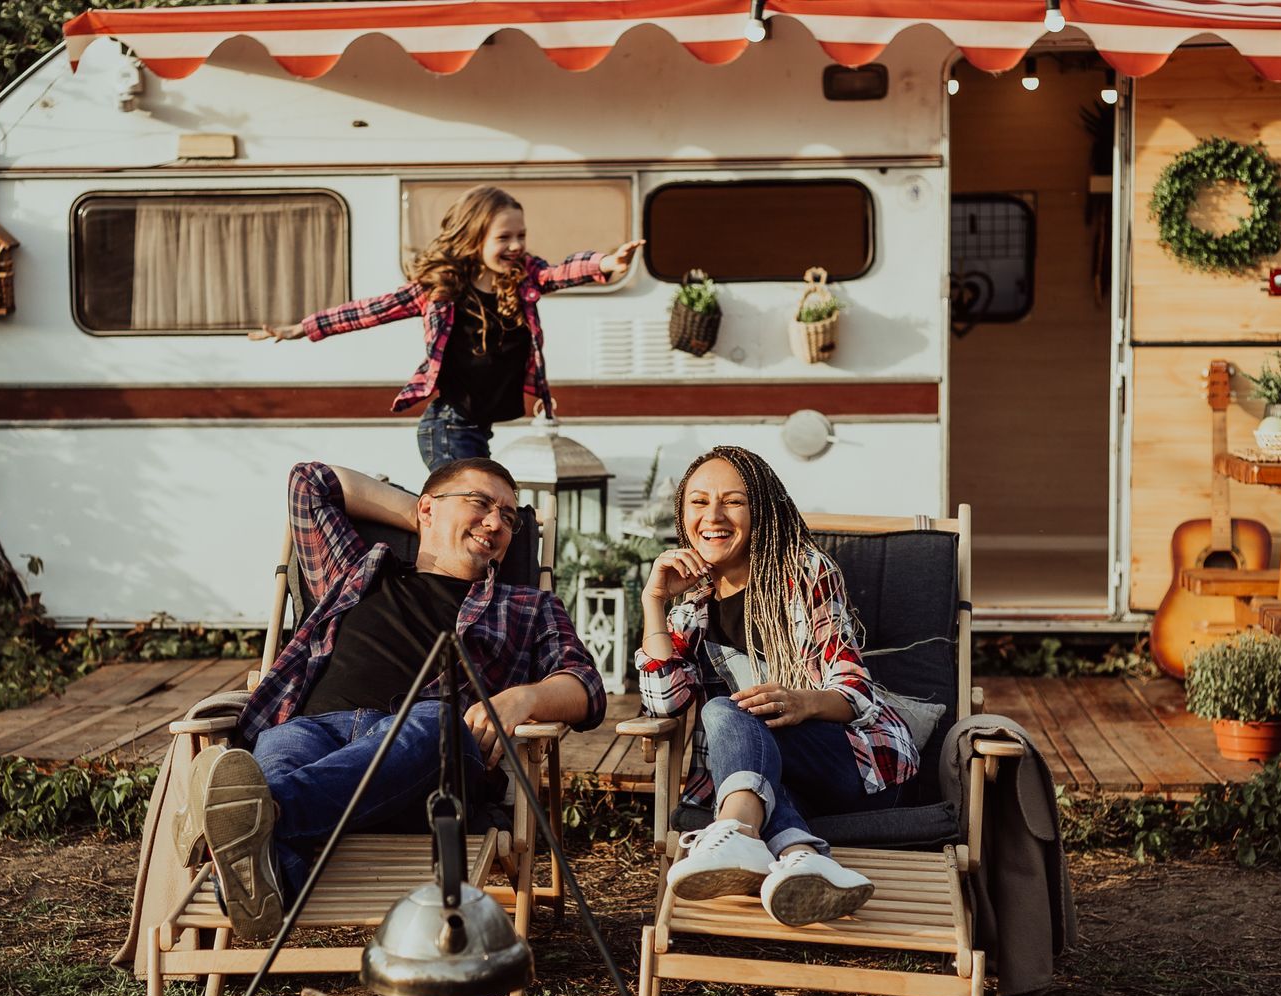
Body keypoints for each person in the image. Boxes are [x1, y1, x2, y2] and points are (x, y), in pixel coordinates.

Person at [179, 459, 606, 941]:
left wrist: (523, 698)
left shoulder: (526, 604)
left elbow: (586, 687)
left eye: (509, 518)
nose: (497, 524)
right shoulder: (355, 572)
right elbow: (311, 481)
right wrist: (427, 513)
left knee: (433, 721)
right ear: (426, 510)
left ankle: (256, 814)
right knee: (280, 748)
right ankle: (265, 865)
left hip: (428, 762)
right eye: (481, 504)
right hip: (312, 732)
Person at [635, 446, 919, 927]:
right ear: (683, 515)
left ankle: (735, 829)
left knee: (725, 710)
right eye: (699, 503)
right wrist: (654, 601)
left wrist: (801, 702)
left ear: (761, 510)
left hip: (854, 761)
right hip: (770, 774)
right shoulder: (690, 602)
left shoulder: (805, 572)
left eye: (734, 502)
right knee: (742, 736)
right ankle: (802, 854)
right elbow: (664, 699)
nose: (714, 516)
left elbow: (855, 691)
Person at [252, 185, 643, 469]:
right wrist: (304, 328)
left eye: (520, 236)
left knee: (484, 503)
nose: (516, 245)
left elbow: (562, 272)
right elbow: (371, 310)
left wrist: (606, 265)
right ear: (473, 240)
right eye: (503, 237)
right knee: (474, 505)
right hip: (447, 427)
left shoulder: (524, 278)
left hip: (478, 428)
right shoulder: (443, 290)